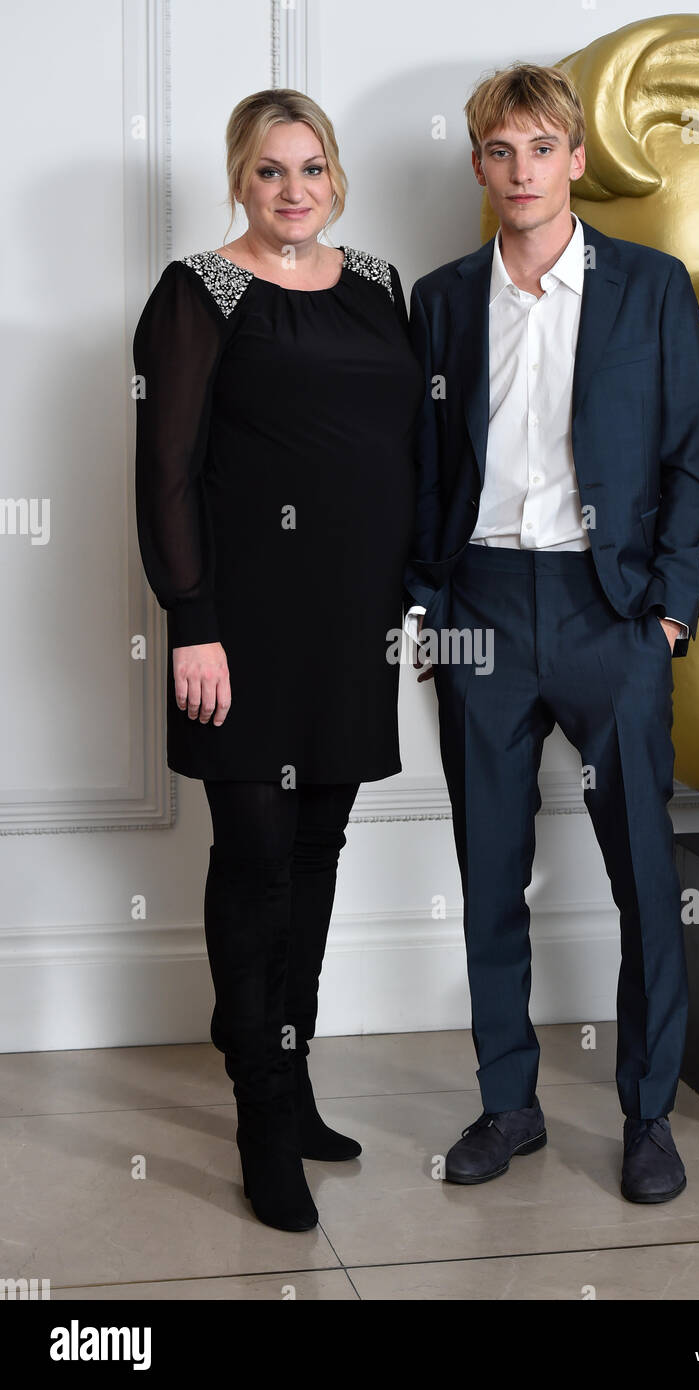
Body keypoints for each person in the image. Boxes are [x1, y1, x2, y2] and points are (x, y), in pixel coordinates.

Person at [404, 63, 699, 1202]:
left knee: (644, 873)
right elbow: (421, 469)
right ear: (478, 164)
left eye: (541, 148)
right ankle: (508, 1104)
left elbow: (688, 456)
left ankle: (647, 1116)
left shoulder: (649, 288)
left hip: (612, 611)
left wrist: (670, 606)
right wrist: (431, 610)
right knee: (491, 870)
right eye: (499, 150)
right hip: (481, 608)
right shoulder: (439, 301)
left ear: (576, 160)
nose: (521, 170)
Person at [133, 89, 422, 1231]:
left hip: (351, 622)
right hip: (240, 626)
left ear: (334, 174)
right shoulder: (197, 293)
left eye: (309, 168)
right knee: (253, 861)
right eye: (267, 172)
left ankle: (291, 1077)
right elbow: (164, 474)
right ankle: (259, 1112)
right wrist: (191, 620)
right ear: (238, 181)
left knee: (318, 847)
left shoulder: (382, 288)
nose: (291, 190)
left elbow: (404, 444)